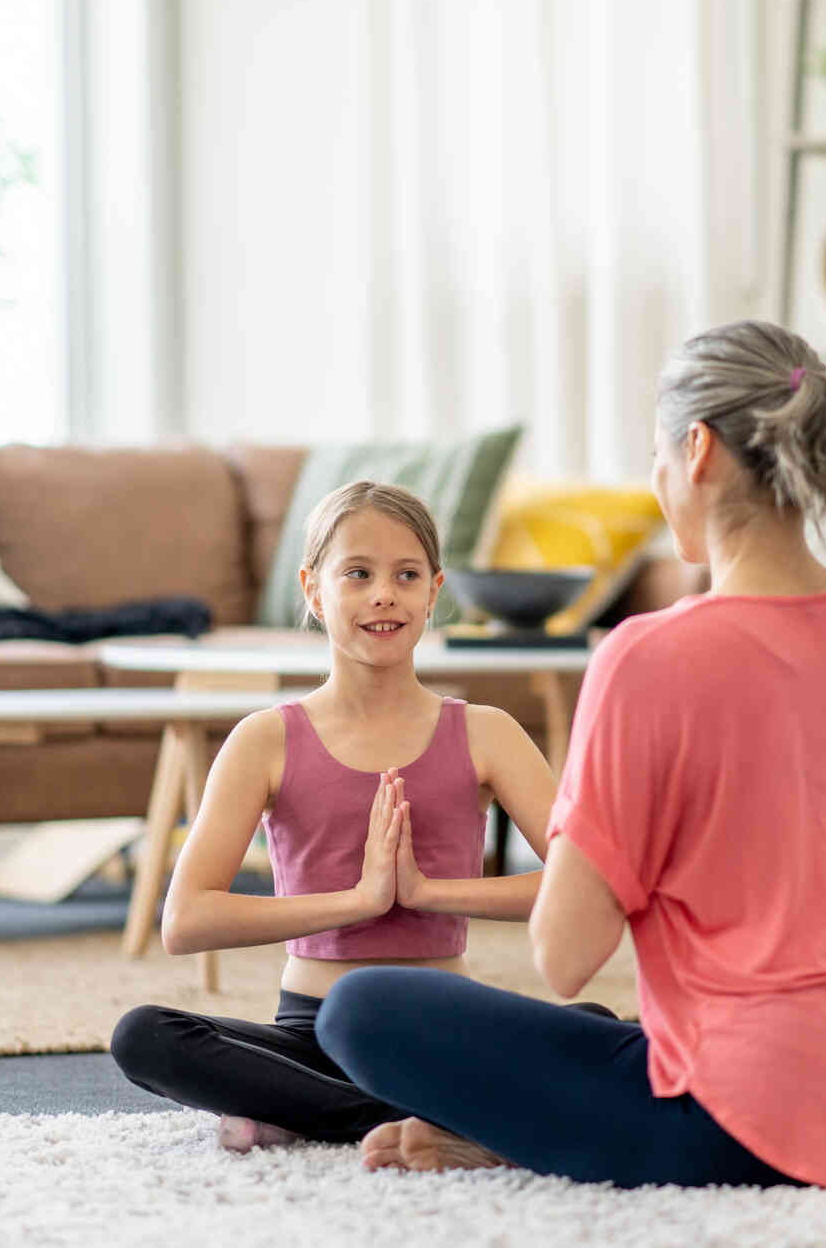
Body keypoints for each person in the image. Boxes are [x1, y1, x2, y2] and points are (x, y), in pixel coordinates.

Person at [315, 319, 826, 1190]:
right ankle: (539, 1126)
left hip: (761, 1127)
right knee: (637, 1044)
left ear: (698, 448)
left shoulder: (645, 657)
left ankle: (525, 1132)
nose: (655, 480)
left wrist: (588, 815)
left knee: (363, 1008)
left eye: (655, 455)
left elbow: (563, 957)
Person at [109, 480, 566, 1152]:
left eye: (405, 575)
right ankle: (418, 1124)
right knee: (145, 1035)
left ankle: (310, 1116)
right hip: (313, 1036)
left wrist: (428, 894)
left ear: (434, 592)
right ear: (313, 590)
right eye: (357, 573)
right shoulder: (264, 738)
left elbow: (585, 883)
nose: (384, 593)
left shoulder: (487, 732)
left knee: (594, 1025)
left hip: (446, 1026)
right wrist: (357, 901)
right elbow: (186, 920)